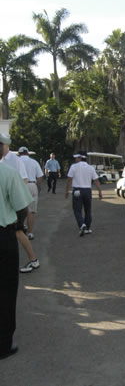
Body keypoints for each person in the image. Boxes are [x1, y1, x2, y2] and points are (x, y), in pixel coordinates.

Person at [0, 134, 32, 360]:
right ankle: (3, 344)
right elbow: (22, 208)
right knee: (6, 291)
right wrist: (19, 225)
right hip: (3, 237)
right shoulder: (7, 173)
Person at [0, 135, 39, 274]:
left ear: (6, 146)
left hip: (10, 207)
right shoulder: (5, 161)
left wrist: (15, 201)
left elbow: (23, 180)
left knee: (18, 231)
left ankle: (33, 259)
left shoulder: (16, 160)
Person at [65, 151, 103, 236]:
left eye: (76, 158)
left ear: (80, 158)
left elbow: (69, 179)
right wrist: (100, 191)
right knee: (88, 209)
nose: (75, 159)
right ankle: (88, 228)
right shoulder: (90, 168)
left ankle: (82, 224)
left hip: (77, 190)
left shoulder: (74, 167)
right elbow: (96, 180)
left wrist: (67, 190)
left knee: (77, 209)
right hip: (87, 190)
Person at [18, 147, 44, 240]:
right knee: (31, 211)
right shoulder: (34, 162)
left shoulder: (17, 161)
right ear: (27, 153)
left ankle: (19, 230)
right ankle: (30, 232)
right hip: (32, 184)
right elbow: (40, 176)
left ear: (19, 153)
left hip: (20, 185)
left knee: (18, 209)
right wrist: (38, 186)